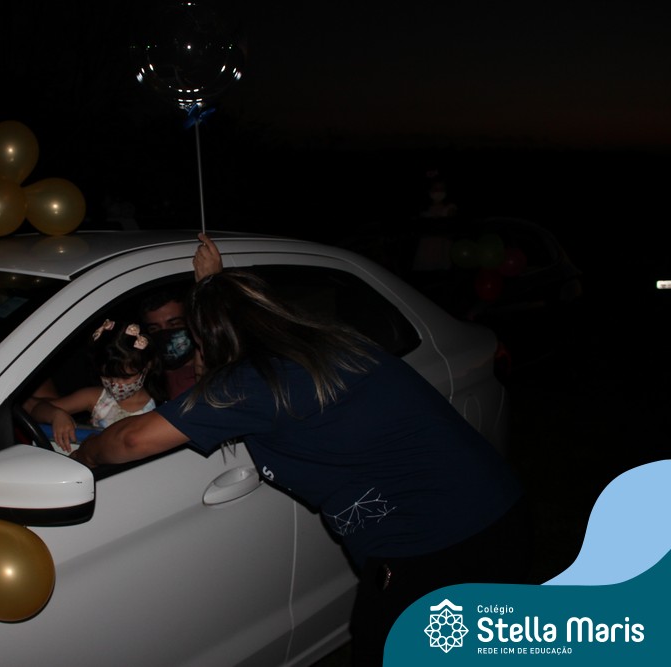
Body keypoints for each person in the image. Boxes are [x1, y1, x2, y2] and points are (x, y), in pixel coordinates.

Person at [70, 262, 532, 666]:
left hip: (434, 554)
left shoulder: (250, 383)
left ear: (212, 341)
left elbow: (131, 439)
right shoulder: (333, 343)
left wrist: (83, 455)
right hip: (501, 515)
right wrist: (214, 289)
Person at [27, 319, 165, 452]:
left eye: (125, 377)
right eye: (107, 376)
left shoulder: (161, 408)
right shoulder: (95, 398)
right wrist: (55, 415)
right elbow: (37, 410)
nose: (116, 384)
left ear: (148, 365)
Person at [137, 232, 224, 399]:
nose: (164, 334)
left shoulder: (211, 370)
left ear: (191, 323)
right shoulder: (147, 379)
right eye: (155, 328)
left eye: (174, 324)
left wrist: (211, 284)